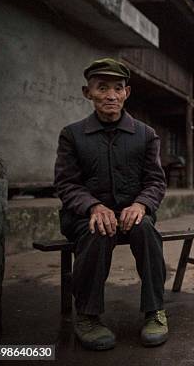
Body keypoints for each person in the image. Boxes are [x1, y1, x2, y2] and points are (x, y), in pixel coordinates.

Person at [54, 58, 168, 350]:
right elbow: (66, 183)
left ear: (127, 93)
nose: (110, 95)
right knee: (98, 230)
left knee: (147, 231)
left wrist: (141, 205)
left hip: (132, 214)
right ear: (87, 92)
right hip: (84, 216)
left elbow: (156, 181)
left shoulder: (145, 134)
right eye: (101, 88)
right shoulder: (72, 135)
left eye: (118, 88)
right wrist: (93, 207)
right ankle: (88, 317)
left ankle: (155, 311)